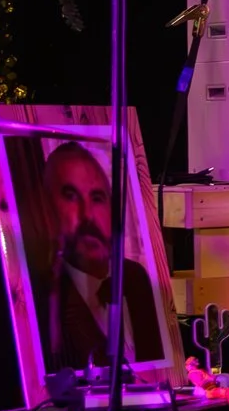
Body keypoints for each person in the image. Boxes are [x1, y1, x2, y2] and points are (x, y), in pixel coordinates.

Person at [35, 141, 158, 373]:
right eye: (70, 196)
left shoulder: (137, 278)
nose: (88, 215)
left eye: (97, 198)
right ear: (47, 210)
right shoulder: (46, 297)